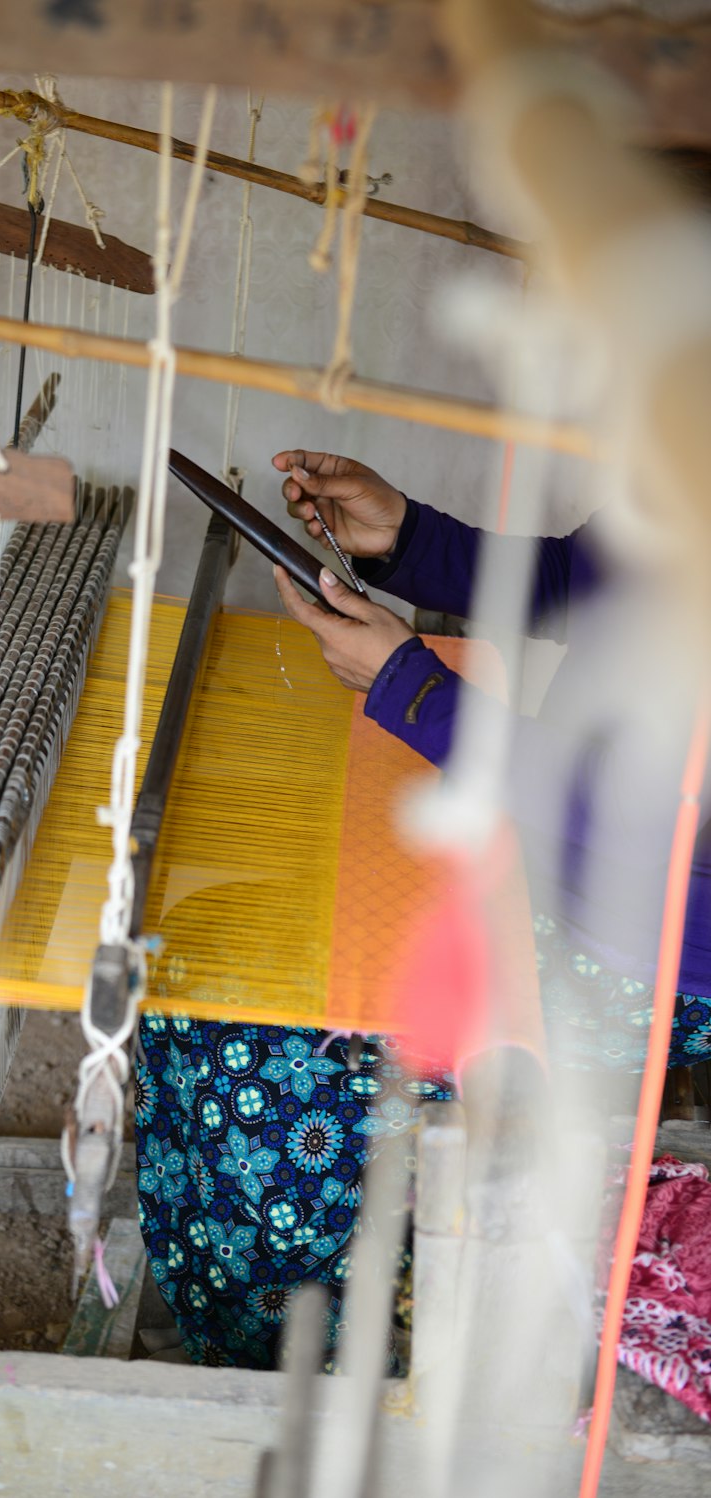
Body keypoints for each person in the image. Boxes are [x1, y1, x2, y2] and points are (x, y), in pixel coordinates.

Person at [134, 446, 711, 1370]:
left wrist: (421, 694)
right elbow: (587, 580)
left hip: (637, 954)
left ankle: (282, 1382)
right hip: (524, 850)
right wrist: (410, 537)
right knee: (193, 952)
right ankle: (261, 1303)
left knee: (260, 1059)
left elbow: (651, 832)